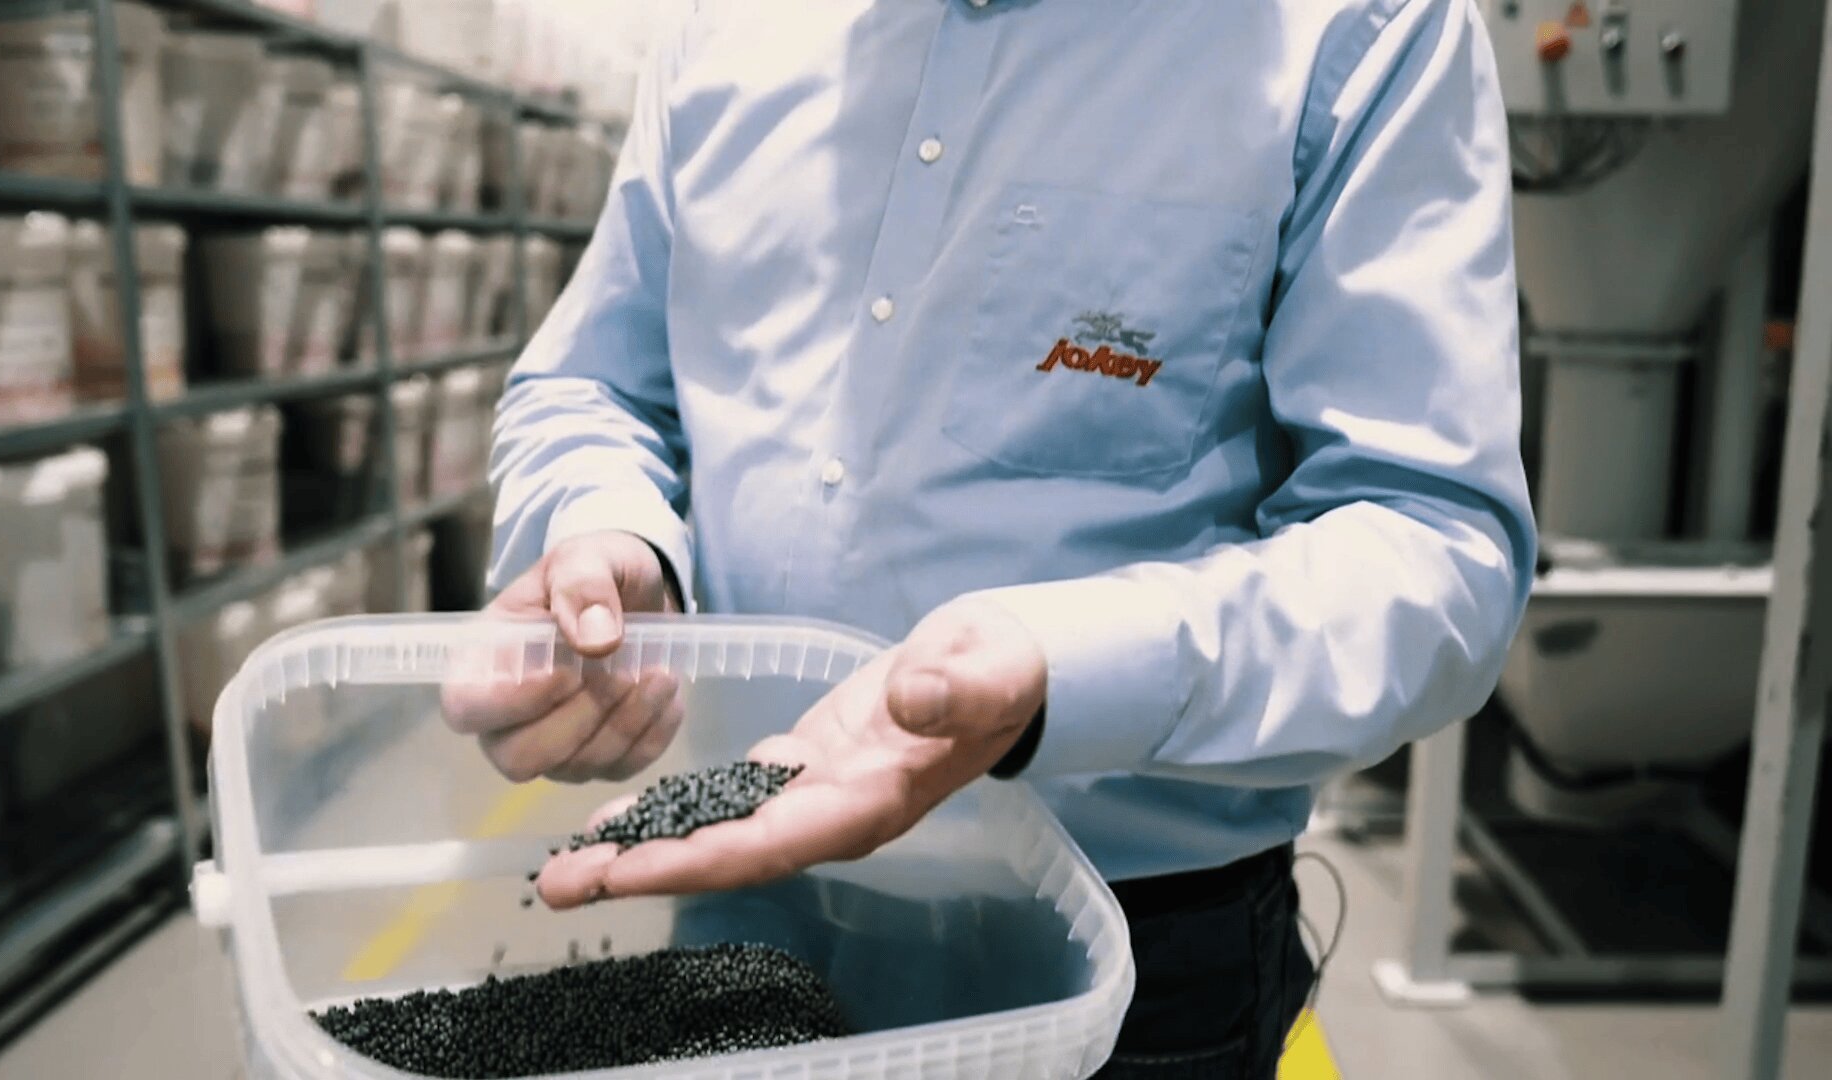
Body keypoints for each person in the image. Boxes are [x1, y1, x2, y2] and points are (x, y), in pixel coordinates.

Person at [448, 1, 1534, 1076]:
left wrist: (1056, 668)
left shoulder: (1362, 31)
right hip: (737, 897)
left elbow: (1432, 547)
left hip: (1122, 963)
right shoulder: (727, 27)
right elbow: (594, 382)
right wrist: (604, 528)